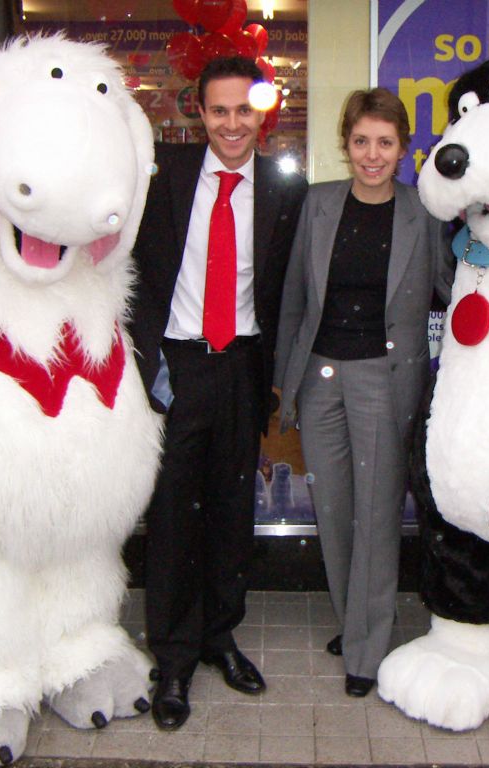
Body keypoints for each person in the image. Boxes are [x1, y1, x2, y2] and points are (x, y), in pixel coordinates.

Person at [127, 57, 308, 730]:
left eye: (243, 110)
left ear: (261, 114)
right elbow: (132, 269)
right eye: (219, 110)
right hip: (177, 365)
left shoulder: (282, 189)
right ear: (199, 114)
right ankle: (172, 658)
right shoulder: (163, 179)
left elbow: (288, 284)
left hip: (241, 367)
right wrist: (145, 364)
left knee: (234, 509)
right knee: (173, 512)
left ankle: (218, 636)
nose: (233, 123)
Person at [274, 88, 453, 697]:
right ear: (345, 145)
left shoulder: (422, 212)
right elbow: (296, 300)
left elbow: (453, 285)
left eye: (384, 142)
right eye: (360, 142)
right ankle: (356, 619)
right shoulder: (319, 203)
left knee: (377, 514)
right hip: (321, 371)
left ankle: (368, 648)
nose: (371, 155)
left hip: (384, 376)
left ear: (403, 149)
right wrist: (284, 383)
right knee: (335, 511)